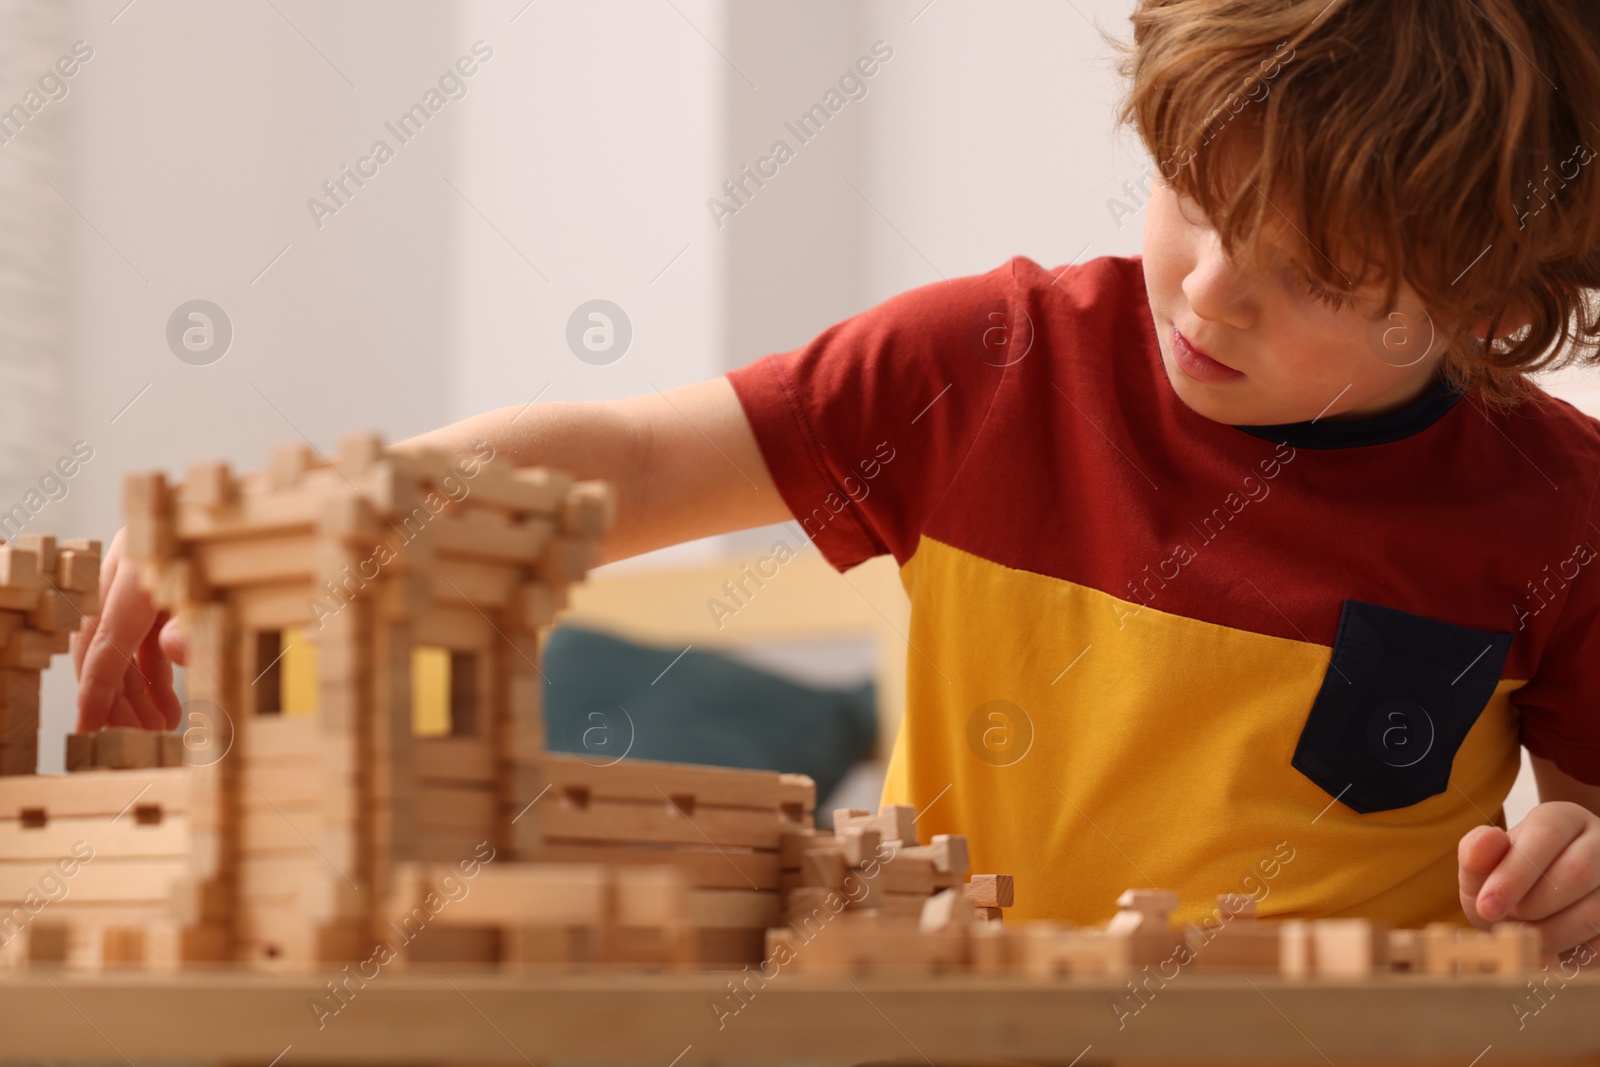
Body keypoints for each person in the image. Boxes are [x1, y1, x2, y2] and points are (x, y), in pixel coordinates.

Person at [75, 0, 1600, 957]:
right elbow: (630, 459)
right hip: (957, 1013)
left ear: (1484, 297)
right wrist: (315, 510)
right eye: (1196, 199)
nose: (1209, 294)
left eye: (1316, 276)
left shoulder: (1561, 515)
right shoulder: (979, 369)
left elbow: (1581, 837)